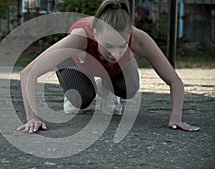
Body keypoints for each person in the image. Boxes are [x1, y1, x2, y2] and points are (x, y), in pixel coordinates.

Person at [17, 0, 200, 133]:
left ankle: (107, 90)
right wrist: (33, 117)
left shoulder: (139, 39)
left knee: (130, 87)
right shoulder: (81, 37)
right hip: (78, 64)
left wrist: (176, 118)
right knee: (81, 99)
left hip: (111, 70)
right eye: (109, 45)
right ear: (95, 34)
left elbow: (175, 81)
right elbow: (28, 73)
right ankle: (77, 93)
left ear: (129, 35)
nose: (116, 53)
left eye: (122, 45)